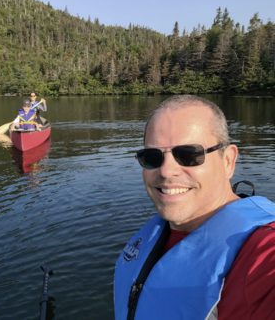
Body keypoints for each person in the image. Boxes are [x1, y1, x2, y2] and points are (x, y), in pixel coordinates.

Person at [114, 95, 275, 320]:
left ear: (228, 161)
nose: (166, 171)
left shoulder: (263, 252)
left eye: (189, 155)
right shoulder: (157, 234)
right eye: (152, 156)